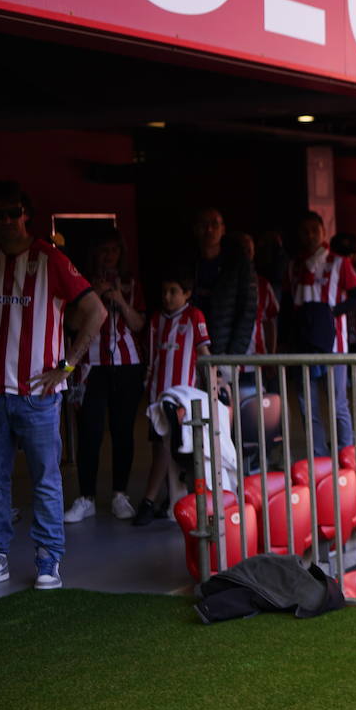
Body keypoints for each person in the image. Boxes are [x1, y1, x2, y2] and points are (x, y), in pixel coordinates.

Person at [0, 181, 107, 592]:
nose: (6, 222)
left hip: (38, 394)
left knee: (45, 479)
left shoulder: (51, 259)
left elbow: (96, 311)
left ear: (26, 214)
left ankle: (48, 559)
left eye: (13, 213)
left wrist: (67, 365)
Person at [67, 228, 147, 523]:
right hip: (90, 366)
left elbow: (139, 324)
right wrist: (95, 296)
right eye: (103, 250)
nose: (109, 256)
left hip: (127, 365)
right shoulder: (81, 283)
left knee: (123, 431)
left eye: (114, 250)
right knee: (89, 432)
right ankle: (85, 497)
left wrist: (121, 301)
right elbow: (73, 324)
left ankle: (119, 495)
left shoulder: (131, 283)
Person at [135, 268, 211, 525]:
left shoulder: (193, 316)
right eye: (164, 292)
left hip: (182, 399)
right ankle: (166, 500)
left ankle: (152, 500)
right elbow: (153, 357)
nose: (167, 297)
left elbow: (204, 353)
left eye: (173, 292)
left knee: (177, 449)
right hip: (158, 396)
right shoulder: (157, 320)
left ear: (187, 294)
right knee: (160, 447)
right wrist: (147, 385)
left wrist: (215, 384)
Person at [285, 211, 356, 458]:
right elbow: (289, 305)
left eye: (314, 230)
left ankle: (346, 454)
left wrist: (328, 313)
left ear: (323, 232)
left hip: (334, 345)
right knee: (308, 406)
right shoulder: (293, 266)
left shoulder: (340, 262)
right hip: (302, 345)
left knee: (337, 404)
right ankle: (318, 456)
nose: (309, 235)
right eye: (304, 231)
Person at [188, 207, 256, 361]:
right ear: (195, 229)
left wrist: (233, 355)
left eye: (215, 224)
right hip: (192, 348)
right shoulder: (187, 262)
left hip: (225, 350)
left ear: (223, 229)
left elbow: (247, 310)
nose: (209, 229)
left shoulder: (238, 263)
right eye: (203, 224)